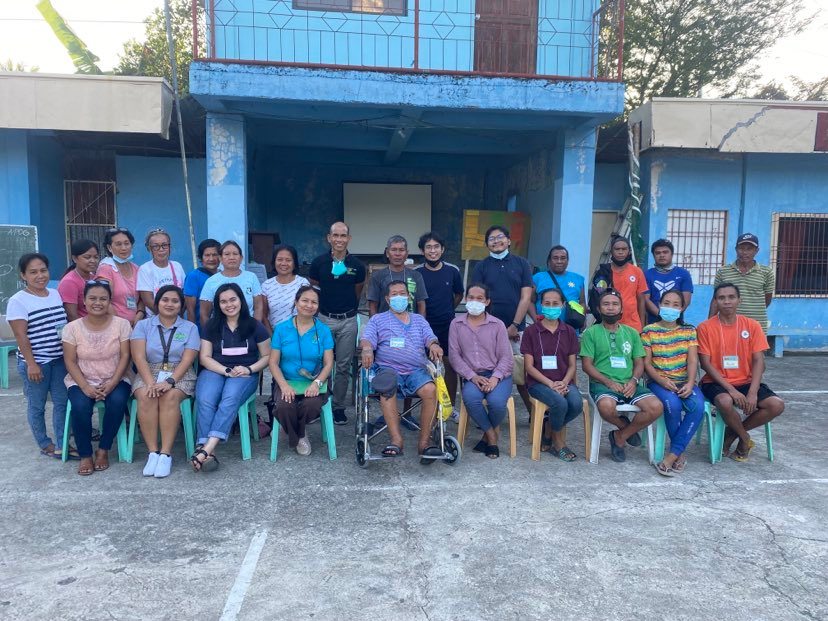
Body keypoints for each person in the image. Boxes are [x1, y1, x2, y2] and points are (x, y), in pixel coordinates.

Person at [698, 283, 785, 461]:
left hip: (746, 381)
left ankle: (732, 434)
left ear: (739, 300)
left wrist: (752, 392)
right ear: (715, 301)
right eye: (721, 298)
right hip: (716, 382)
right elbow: (705, 364)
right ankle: (745, 438)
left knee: (776, 405)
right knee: (725, 400)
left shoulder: (751, 325)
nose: (727, 301)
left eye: (731, 297)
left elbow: (759, 360)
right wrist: (731, 389)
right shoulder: (705, 327)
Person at [360, 281, 444, 461]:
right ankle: (396, 440)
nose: (399, 297)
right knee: (387, 388)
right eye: (395, 294)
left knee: (430, 390)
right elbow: (367, 339)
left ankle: (424, 442)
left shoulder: (419, 320)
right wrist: (367, 349)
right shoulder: (378, 320)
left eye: (402, 293)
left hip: (416, 371)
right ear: (387, 299)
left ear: (409, 296)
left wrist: (434, 345)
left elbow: (430, 337)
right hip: (388, 369)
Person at [193, 283, 270, 471]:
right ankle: (204, 448)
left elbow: (267, 356)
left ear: (241, 301)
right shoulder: (211, 325)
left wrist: (250, 369)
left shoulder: (254, 325)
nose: (229, 305)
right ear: (218, 305)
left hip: (245, 373)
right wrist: (225, 371)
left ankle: (207, 448)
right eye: (223, 301)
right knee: (205, 398)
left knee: (230, 398)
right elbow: (204, 357)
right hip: (216, 370)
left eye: (233, 299)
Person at [580, 290, 663, 462]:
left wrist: (633, 381)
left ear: (621, 309)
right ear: (598, 309)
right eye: (606, 304)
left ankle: (620, 436)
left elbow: (639, 362)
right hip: (603, 384)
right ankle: (624, 425)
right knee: (606, 407)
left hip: (630, 384)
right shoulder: (591, 333)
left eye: (615, 304)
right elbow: (587, 366)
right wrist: (608, 382)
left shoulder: (632, 333)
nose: (611, 308)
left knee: (656, 407)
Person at [62, 280, 132, 476]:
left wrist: (112, 383)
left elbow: (126, 356)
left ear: (110, 301)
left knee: (118, 401)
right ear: (84, 301)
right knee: (80, 406)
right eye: (92, 298)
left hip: (115, 376)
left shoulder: (122, 324)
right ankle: (85, 454)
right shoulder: (72, 328)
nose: (98, 302)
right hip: (82, 378)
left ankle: (103, 449)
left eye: (103, 298)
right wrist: (84, 386)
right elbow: (69, 360)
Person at [7, 253, 73, 459]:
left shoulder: (54, 294)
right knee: (37, 405)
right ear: (23, 275)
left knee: (62, 402)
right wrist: (31, 364)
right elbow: (20, 335)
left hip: (59, 360)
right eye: (33, 272)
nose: (40, 275)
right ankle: (45, 444)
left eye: (43, 270)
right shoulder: (18, 301)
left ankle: (63, 442)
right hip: (37, 363)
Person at [130, 285, 200, 478]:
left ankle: (166, 454)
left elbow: (187, 359)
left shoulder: (190, 328)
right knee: (146, 395)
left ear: (181, 305)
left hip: (179, 372)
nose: (170, 304)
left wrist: (170, 380)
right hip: (149, 371)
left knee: (169, 397)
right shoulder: (143, 325)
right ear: (157, 303)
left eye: (175, 301)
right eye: (165, 300)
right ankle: (153, 452)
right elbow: (139, 358)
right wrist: (150, 382)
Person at [470, 225, 534, 411]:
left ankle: (533, 411)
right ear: (486, 244)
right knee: (487, 369)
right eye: (491, 239)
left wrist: (514, 325)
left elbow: (525, 297)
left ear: (508, 240)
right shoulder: (481, 267)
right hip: (486, 330)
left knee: (521, 371)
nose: (496, 241)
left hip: (516, 329)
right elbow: (477, 298)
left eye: (500, 237)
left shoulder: (522, 264)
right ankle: (487, 410)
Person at [641, 290, 706, 476]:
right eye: (666, 303)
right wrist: (661, 380)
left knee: (698, 408)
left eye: (675, 304)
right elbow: (646, 363)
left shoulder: (689, 330)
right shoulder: (649, 331)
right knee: (674, 405)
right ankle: (679, 453)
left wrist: (691, 382)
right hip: (658, 383)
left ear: (682, 308)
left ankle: (672, 454)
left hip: (685, 382)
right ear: (659, 305)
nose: (670, 307)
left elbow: (693, 360)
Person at [308, 222, 366, 425]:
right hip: (324, 319)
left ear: (349, 238)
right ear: (329, 238)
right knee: (322, 363)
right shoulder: (318, 263)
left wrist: (348, 310)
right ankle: (318, 403)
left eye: (343, 235)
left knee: (343, 366)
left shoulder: (358, 266)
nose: (339, 239)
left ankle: (338, 407)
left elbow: (357, 291)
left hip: (348, 321)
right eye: (336, 235)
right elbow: (314, 290)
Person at [448, 283, 513, 459]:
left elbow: (506, 356)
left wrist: (495, 378)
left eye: (479, 298)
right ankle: (492, 435)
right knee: (471, 399)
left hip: (499, 375)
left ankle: (486, 435)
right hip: (473, 376)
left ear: (487, 301)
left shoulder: (497, 324)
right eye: (471, 298)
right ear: (465, 299)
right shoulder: (456, 324)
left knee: (497, 403)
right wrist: (472, 376)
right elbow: (454, 356)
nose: (474, 301)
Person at [268, 286, 334, 455]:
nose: (309, 305)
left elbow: (328, 363)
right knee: (284, 406)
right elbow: (273, 363)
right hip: (286, 381)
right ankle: (300, 435)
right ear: (296, 302)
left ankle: (290, 429)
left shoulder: (324, 330)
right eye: (305, 300)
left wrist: (317, 383)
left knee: (310, 405)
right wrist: (283, 386)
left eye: (314, 302)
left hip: (315, 381)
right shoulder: (282, 329)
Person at [521, 287, 582, 461]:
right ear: (541, 305)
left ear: (563, 305)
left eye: (555, 303)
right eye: (547, 303)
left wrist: (563, 382)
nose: (551, 306)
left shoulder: (569, 331)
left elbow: (572, 365)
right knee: (560, 404)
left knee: (576, 404)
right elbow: (529, 367)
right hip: (538, 384)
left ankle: (548, 428)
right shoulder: (531, 332)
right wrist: (551, 384)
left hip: (565, 381)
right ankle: (558, 442)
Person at [415, 231, 463, 418]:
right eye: (428, 247)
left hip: (447, 325)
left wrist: (448, 309)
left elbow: (459, 294)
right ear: (422, 250)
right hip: (423, 326)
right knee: (422, 365)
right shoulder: (417, 272)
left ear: (442, 250)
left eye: (436, 247)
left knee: (449, 365)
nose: (432, 251)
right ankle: (428, 406)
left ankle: (449, 406)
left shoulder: (453, 271)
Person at [709, 233, 774, 333]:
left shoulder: (767, 272)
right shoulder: (723, 271)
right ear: (736, 249)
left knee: (757, 349)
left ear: (756, 251)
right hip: (729, 325)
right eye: (741, 248)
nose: (744, 252)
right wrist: (710, 324)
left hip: (757, 325)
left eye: (749, 249)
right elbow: (716, 300)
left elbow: (767, 300)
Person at [199, 240, 264, 326]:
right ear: (220, 258)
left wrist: (255, 329)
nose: (231, 257)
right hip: (221, 332)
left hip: (248, 329)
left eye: (235, 254)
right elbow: (204, 313)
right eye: (227, 254)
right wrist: (211, 334)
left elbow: (258, 306)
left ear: (241, 258)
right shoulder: (211, 281)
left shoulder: (251, 277)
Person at [366, 235, 428, 316]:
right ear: (387, 253)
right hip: (385, 325)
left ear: (407, 254)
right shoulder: (377, 276)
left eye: (401, 250)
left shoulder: (416, 276)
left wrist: (421, 325)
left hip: (411, 325)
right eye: (393, 250)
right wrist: (374, 326)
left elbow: (421, 304)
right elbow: (373, 305)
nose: (397, 254)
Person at [95, 227, 144, 325]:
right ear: (109, 248)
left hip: (136, 325)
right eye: (118, 244)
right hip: (113, 325)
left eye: (127, 243)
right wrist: (121, 325)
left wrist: (140, 314)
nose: (123, 248)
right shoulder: (106, 269)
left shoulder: (136, 268)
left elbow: (142, 297)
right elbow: (104, 300)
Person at [137, 228, 186, 317]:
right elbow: (147, 300)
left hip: (177, 318)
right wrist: (166, 316)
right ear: (149, 248)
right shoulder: (145, 269)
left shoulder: (177, 266)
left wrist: (176, 315)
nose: (161, 249)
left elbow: (184, 294)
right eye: (156, 246)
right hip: (155, 319)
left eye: (165, 245)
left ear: (170, 247)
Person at [644, 238, 694, 325]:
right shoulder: (647, 274)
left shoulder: (683, 274)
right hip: (653, 323)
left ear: (672, 254)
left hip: (676, 323)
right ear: (653, 255)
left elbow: (686, 300)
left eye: (665, 252)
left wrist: (672, 317)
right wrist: (661, 316)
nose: (662, 255)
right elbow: (646, 299)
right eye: (658, 253)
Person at [532, 245, 586, 325]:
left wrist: (582, 319)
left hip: (571, 328)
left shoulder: (578, 279)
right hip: (543, 327)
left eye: (563, 258)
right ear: (549, 260)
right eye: (555, 258)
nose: (559, 261)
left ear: (567, 261)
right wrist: (535, 318)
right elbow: (530, 301)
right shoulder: (538, 278)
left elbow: (582, 302)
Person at [262, 244, 310, 333]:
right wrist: (272, 337)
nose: (283, 263)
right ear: (274, 262)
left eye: (288, 260)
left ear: (294, 263)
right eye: (280, 259)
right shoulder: (267, 285)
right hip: (274, 336)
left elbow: (307, 312)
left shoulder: (303, 283)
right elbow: (264, 316)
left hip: (299, 335)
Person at [606, 236, 649, 332]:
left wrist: (641, 325)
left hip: (633, 324)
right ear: (611, 251)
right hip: (610, 323)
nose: (620, 252)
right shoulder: (605, 272)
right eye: (617, 249)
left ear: (629, 251)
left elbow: (641, 300)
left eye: (624, 249)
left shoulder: (637, 271)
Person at [183, 238, 221, 332]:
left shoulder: (223, 276)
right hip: (201, 331)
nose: (211, 259)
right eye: (207, 255)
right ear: (201, 257)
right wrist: (192, 334)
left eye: (215, 255)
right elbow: (190, 310)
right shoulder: (194, 276)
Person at [58, 239, 101, 321]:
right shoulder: (69, 282)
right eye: (87, 257)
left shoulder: (94, 277)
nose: (93, 261)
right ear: (75, 258)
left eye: (96, 257)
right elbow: (71, 316)